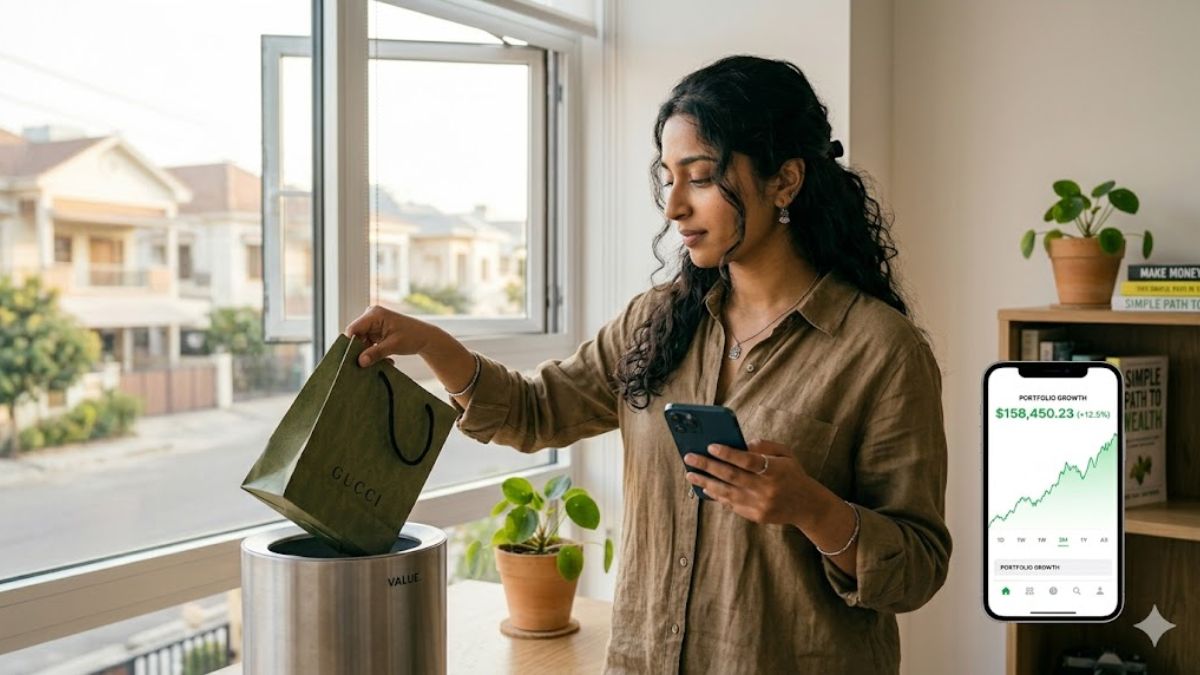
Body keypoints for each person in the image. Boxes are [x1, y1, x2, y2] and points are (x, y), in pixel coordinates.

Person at [345, 54, 951, 674]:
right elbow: (535, 412)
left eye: (702, 176)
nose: (673, 207)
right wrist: (434, 346)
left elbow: (918, 569)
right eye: (668, 177)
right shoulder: (656, 320)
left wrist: (811, 508)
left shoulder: (881, 350)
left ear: (785, 181)